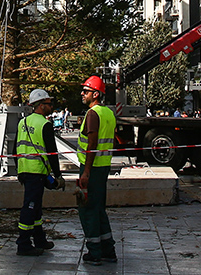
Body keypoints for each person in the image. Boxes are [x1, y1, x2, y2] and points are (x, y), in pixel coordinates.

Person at [14, 88, 64, 257]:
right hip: (37, 171)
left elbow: (15, 148)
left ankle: (39, 239)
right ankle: (24, 243)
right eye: (49, 103)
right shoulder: (45, 124)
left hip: (25, 170)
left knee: (36, 208)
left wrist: (19, 170)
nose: (51, 106)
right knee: (30, 207)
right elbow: (52, 153)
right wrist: (57, 175)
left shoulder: (23, 123)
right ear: (41, 106)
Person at [77, 75, 117, 266]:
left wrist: (85, 172)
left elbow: (91, 144)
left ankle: (94, 252)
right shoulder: (108, 113)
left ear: (95, 94)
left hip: (91, 169)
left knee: (88, 210)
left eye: (85, 91)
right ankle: (108, 250)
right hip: (103, 168)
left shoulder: (93, 114)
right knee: (99, 209)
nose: (82, 94)